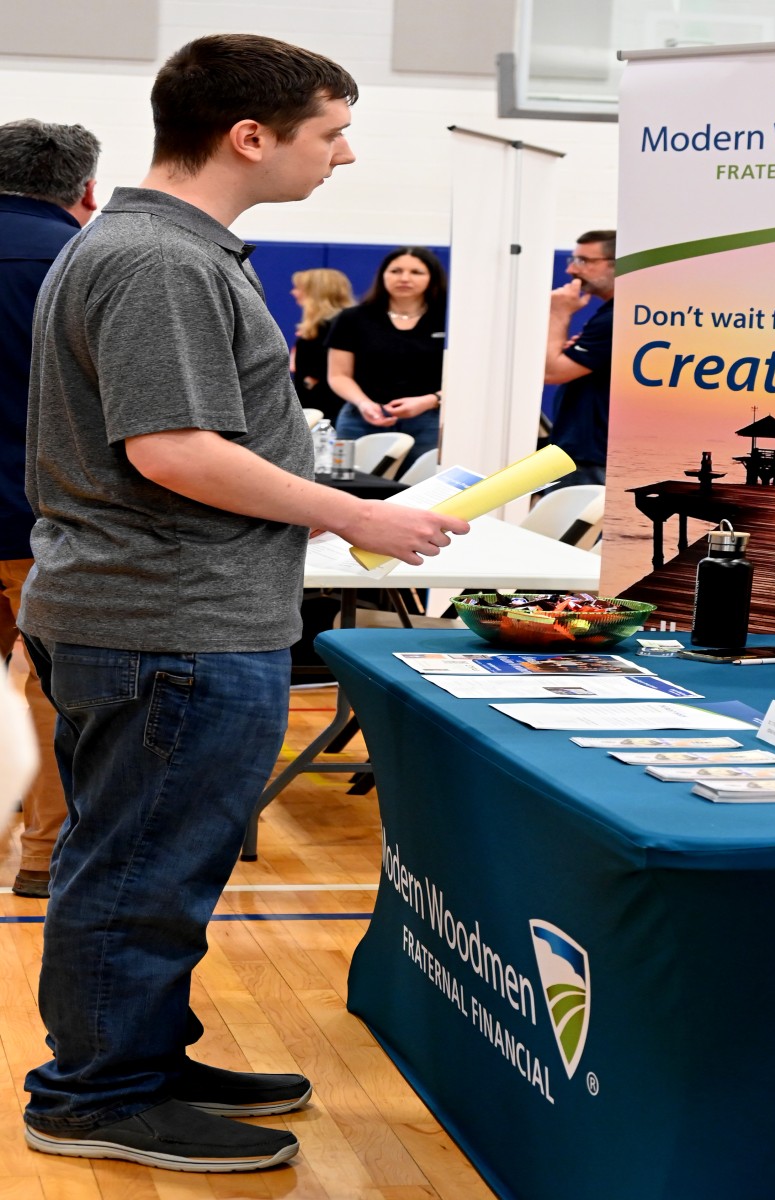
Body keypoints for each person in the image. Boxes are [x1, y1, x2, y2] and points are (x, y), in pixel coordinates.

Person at [18, 33, 469, 1173]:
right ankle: (97, 1094)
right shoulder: (159, 259)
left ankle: (138, 1059)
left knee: (147, 860)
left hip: (167, 608)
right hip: (169, 618)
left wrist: (306, 507)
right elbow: (172, 449)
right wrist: (353, 513)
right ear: (251, 136)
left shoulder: (159, 248)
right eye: (332, 132)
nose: (346, 155)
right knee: (141, 869)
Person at [0, 118, 100, 899]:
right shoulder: (83, 262)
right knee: (47, 684)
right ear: (87, 190)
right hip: (39, 512)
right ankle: (42, 854)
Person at [326, 246, 446, 461]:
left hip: (428, 419)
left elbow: (465, 379)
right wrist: (364, 404)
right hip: (361, 418)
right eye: (396, 271)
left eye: (416, 272)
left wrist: (429, 401)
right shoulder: (353, 318)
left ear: (432, 277)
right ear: (383, 275)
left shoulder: (448, 318)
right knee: (352, 481)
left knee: (422, 480)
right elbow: (338, 375)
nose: (404, 278)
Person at [543, 230, 616, 487]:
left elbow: (551, 371)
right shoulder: (613, 313)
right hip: (587, 450)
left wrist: (558, 313)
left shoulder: (616, 317)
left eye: (584, 261)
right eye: (573, 260)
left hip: (590, 455)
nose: (571, 270)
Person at [290, 267, 354, 421]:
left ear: (315, 292)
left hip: (328, 411)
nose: (293, 292)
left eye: (298, 288)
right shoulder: (317, 327)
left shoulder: (336, 327)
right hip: (317, 407)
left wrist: (310, 381)